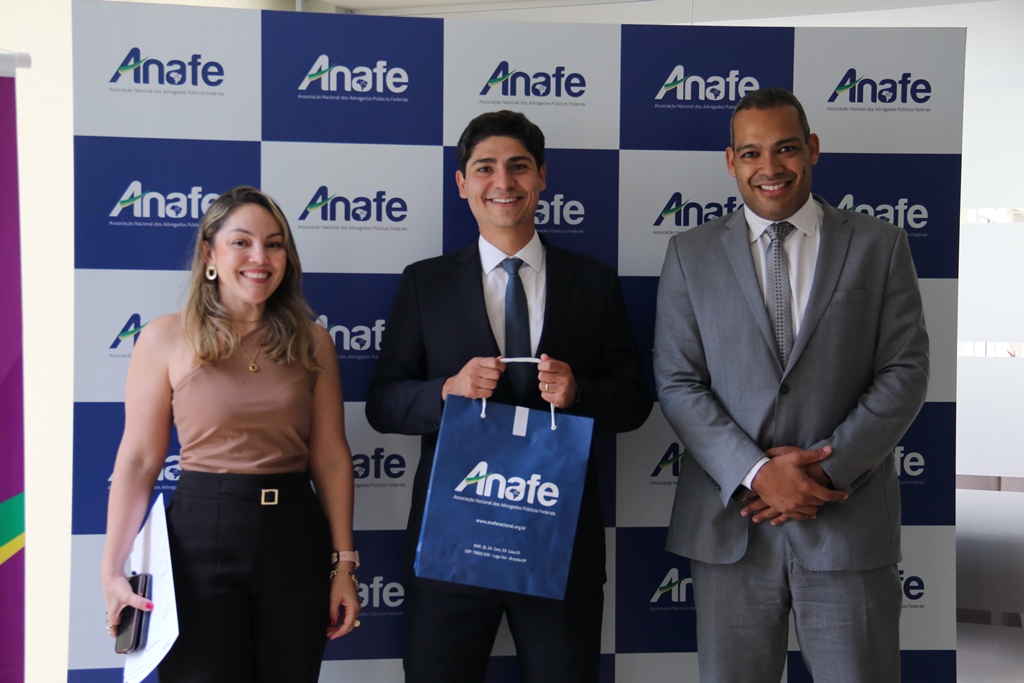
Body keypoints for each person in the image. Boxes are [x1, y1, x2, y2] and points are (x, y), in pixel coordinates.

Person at [653, 88, 930, 683]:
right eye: (751, 153)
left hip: (845, 522)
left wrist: (823, 473)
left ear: (812, 149)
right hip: (732, 526)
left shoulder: (879, 245)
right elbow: (677, 382)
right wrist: (758, 473)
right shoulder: (689, 254)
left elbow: (905, 371)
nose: (769, 167)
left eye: (785, 148)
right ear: (731, 162)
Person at [366, 110, 652, 683]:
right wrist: (446, 391)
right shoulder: (425, 282)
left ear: (542, 176)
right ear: (462, 183)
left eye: (519, 166)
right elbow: (383, 403)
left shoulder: (594, 283)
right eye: (485, 168)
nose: (503, 182)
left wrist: (580, 393)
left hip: (558, 544)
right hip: (451, 546)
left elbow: (634, 401)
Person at [101, 186, 361, 682]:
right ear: (209, 254)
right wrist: (112, 569)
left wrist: (344, 565)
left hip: (295, 541)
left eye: (274, 244)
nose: (259, 257)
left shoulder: (313, 342)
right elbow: (138, 460)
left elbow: (330, 458)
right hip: (198, 541)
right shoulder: (164, 337)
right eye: (241, 242)